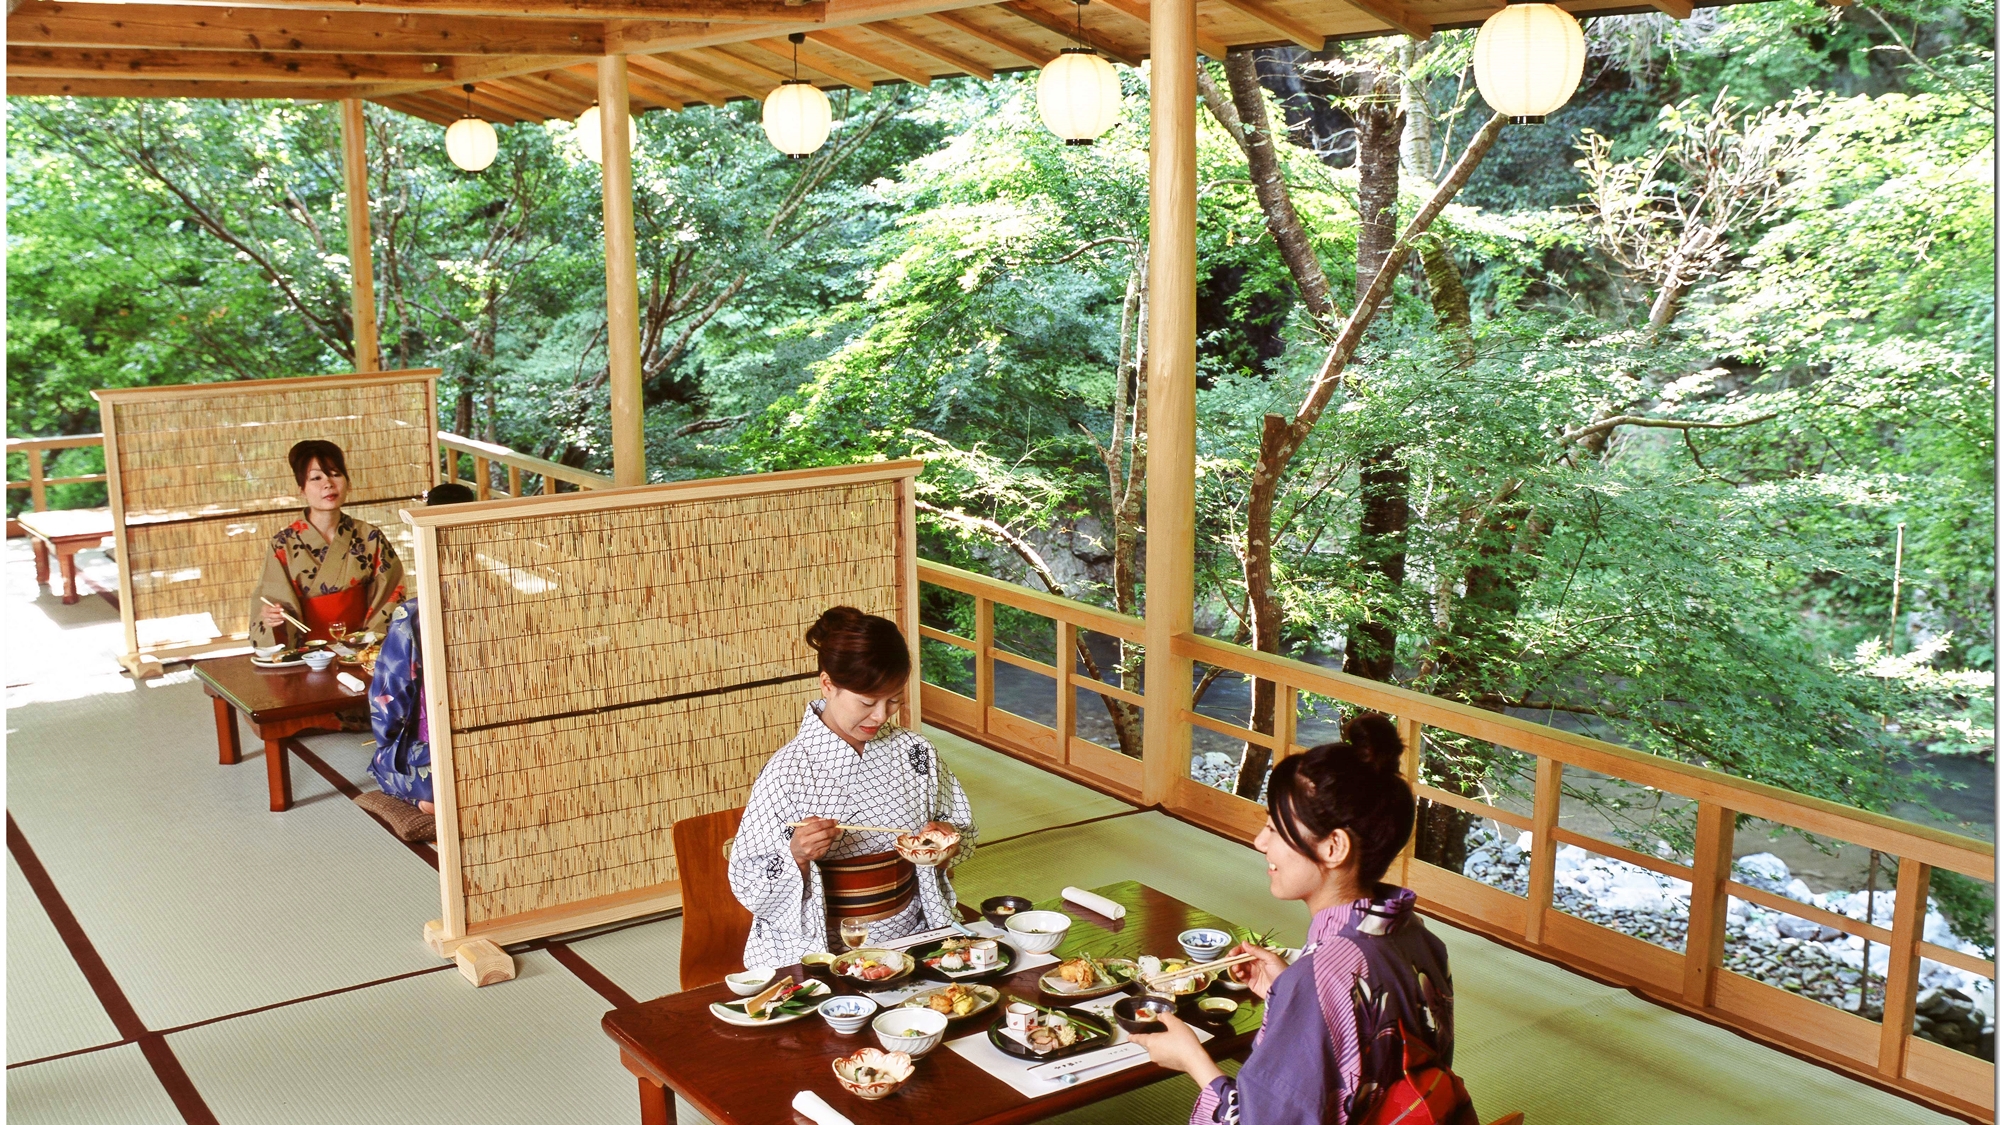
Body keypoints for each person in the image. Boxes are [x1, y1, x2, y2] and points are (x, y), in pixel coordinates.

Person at [1139, 713, 1477, 1125]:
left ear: (1334, 847)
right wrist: (1287, 991)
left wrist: (1194, 1059)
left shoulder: (1318, 979)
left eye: (1276, 829)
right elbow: (1374, 1052)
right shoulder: (1416, 935)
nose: (1259, 841)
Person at [729, 606, 977, 969]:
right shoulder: (788, 770)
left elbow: (959, 828)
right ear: (828, 684)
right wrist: (796, 854)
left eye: (893, 700)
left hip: (913, 934)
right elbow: (748, 878)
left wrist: (944, 838)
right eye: (867, 701)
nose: (881, 715)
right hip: (826, 949)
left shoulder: (915, 752)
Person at [366, 482, 477, 815]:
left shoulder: (412, 614)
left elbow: (389, 702)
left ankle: (429, 797)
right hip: (504, 743)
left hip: (441, 751)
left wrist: (387, 745)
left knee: (388, 767)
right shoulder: (503, 602)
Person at [248, 440, 406, 648]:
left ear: (348, 483)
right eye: (316, 477)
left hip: (361, 650)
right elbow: (274, 605)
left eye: (335, 474)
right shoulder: (283, 544)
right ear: (302, 489)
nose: (328, 483)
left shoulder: (370, 537)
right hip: (307, 654)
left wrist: (366, 646)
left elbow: (391, 596)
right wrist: (272, 619)